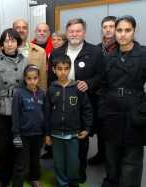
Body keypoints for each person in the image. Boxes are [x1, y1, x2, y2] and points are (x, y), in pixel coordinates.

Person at [48, 18, 103, 183]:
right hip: (60, 102)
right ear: (66, 33)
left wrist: (89, 83)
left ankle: (80, 169)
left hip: (83, 102)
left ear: (84, 33)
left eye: (78, 31)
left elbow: (101, 77)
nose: (74, 34)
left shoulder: (95, 52)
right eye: (71, 31)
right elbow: (50, 78)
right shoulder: (57, 53)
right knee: (60, 137)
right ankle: (63, 171)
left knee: (81, 138)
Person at [98, 15, 146, 187]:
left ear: (134, 31)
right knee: (111, 155)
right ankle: (111, 182)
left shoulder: (143, 54)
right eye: (119, 30)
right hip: (111, 110)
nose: (123, 34)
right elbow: (103, 85)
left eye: (127, 30)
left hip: (135, 110)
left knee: (132, 158)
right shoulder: (109, 57)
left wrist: (143, 109)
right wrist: (102, 107)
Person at [0, 28, 29, 187]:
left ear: (18, 42)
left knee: (18, 146)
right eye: (6, 41)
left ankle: (15, 177)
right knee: (2, 148)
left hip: (20, 109)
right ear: (2, 43)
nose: (10, 44)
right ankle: (3, 178)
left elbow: (28, 85)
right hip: (1, 109)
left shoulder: (24, 60)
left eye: (13, 40)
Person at [45, 54, 92, 187]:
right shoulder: (51, 90)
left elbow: (86, 109)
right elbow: (47, 113)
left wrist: (87, 128)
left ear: (70, 69)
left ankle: (73, 182)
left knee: (73, 161)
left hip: (73, 133)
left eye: (66, 68)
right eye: (59, 69)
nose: (63, 72)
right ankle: (62, 183)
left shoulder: (77, 88)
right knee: (59, 161)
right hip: (55, 134)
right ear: (54, 70)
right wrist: (47, 133)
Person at [88, 16, 118, 166]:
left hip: (115, 95)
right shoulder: (97, 48)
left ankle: (114, 158)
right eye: (105, 27)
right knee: (100, 126)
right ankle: (101, 154)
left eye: (111, 26)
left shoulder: (121, 47)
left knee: (114, 127)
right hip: (98, 94)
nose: (108, 29)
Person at [11, 64, 46, 187]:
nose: (32, 81)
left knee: (36, 159)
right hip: (24, 134)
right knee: (21, 161)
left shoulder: (42, 93)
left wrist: (45, 133)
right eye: (29, 78)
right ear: (24, 79)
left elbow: (45, 113)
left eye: (35, 78)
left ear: (39, 78)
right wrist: (16, 135)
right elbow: (15, 115)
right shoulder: (19, 93)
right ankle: (17, 183)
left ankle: (34, 178)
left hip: (38, 133)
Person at [40, 29, 67, 160]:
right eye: (54, 39)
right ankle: (51, 149)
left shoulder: (66, 55)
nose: (56, 42)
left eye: (59, 39)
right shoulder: (51, 54)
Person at [13, 19, 47, 92]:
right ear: (13, 31)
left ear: (28, 30)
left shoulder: (40, 51)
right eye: (18, 28)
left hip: (34, 96)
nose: (21, 30)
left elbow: (43, 78)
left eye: (24, 28)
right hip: (11, 97)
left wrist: (43, 96)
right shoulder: (3, 52)